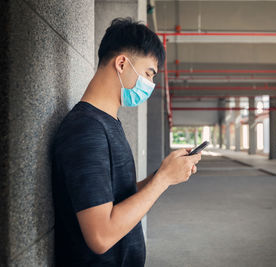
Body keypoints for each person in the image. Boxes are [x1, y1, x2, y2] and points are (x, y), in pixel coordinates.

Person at [51, 17, 202, 267]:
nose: (150, 85)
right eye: (147, 74)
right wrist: (163, 180)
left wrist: (163, 173)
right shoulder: (85, 129)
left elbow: (113, 195)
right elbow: (100, 236)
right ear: (122, 63)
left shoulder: (106, 122)